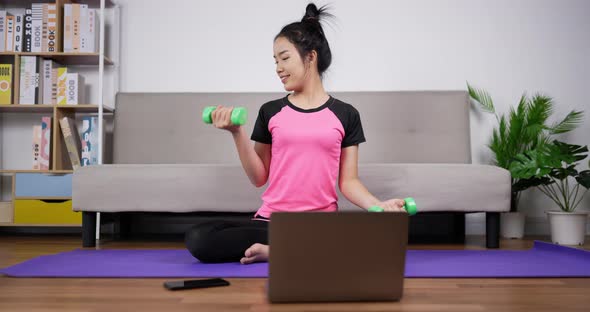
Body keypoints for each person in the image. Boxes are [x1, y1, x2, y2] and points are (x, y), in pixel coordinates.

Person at [185, 3, 406, 265]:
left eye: (285, 57)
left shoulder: (346, 114)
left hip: (319, 225)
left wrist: (378, 208)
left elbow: (349, 182)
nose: (278, 67)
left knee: (373, 236)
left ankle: (280, 251)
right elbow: (259, 177)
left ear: (310, 57)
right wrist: (237, 132)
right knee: (200, 237)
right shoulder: (271, 111)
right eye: (275, 60)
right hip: (273, 221)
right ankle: (294, 248)